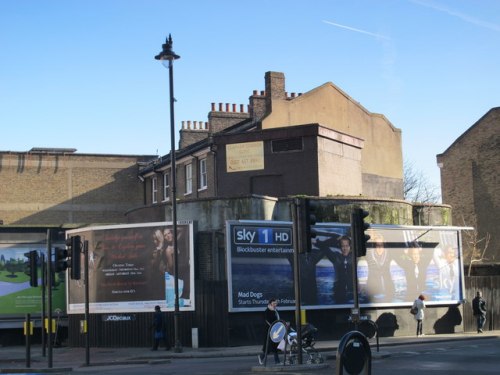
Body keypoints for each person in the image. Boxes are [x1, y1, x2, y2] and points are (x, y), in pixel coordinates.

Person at [323, 235, 354, 304]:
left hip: (351, 290)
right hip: (338, 290)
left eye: (347, 246)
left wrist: (351, 237)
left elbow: (366, 238)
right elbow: (324, 246)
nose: (345, 248)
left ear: (350, 246)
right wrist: (336, 238)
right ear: (339, 247)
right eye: (343, 246)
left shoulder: (354, 257)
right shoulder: (335, 257)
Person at [365, 234, 395, 302]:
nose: (379, 247)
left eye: (381, 245)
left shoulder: (389, 254)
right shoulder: (369, 254)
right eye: (377, 245)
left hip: (388, 291)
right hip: (373, 292)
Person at [258, 299, 281, 365]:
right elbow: (268, 321)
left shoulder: (275, 311)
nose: (275, 305)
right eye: (274, 303)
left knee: (274, 346)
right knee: (269, 346)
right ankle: (262, 357)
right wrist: (274, 327)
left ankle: (277, 361)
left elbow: (278, 319)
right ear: (270, 304)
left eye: (276, 303)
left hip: (275, 331)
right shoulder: (267, 311)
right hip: (269, 331)